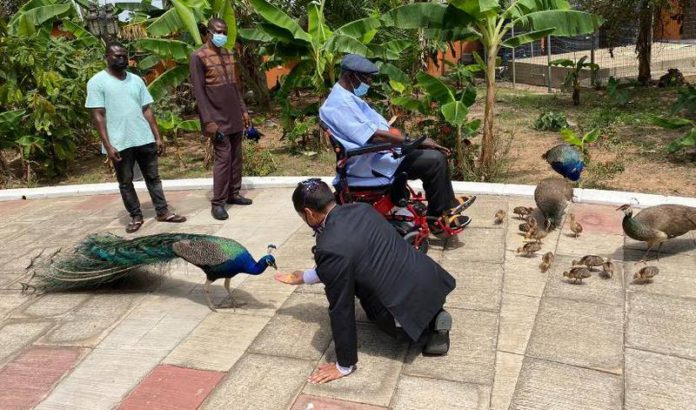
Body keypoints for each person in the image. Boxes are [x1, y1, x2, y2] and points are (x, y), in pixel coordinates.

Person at [275, 179, 455, 385]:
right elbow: (349, 257)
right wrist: (305, 277)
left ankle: (428, 326)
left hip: (403, 306)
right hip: (429, 279)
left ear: (308, 213)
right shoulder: (360, 209)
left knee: (374, 311)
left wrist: (344, 364)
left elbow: (341, 307)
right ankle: (432, 308)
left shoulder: (329, 246)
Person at [319, 54, 475, 233]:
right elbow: (373, 137)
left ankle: (447, 203)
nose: (369, 83)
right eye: (366, 79)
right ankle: (439, 217)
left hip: (376, 154)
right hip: (368, 162)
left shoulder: (345, 97)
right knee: (435, 161)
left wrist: (411, 141)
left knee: (432, 156)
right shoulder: (340, 104)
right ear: (351, 76)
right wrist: (414, 142)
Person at [86, 42, 186, 233]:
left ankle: (163, 211)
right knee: (126, 181)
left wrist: (157, 136)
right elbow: (98, 115)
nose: (122, 58)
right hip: (119, 141)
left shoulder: (136, 80)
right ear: (106, 57)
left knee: (153, 177)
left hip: (144, 137)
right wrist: (107, 145)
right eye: (117, 56)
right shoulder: (97, 82)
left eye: (124, 55)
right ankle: (136, 216)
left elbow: (147, 109)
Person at [190, 17, 253, 221]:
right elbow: (199, 92)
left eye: (225, 32)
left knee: (236, 157)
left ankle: (233, 193)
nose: (222, 35)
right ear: (208, 32)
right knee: (223, 159)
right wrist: (208, 121)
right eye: (218, 31)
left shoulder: (228, 53)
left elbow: (235, 86)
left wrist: (243, 111)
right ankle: (218, 203)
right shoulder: (198, 56)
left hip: (234, 113)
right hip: (216, 118)